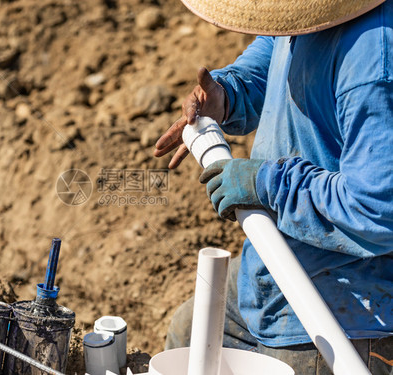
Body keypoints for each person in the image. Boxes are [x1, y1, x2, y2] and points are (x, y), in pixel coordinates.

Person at [153, 0, 393, 373]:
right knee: (190, 332)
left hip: (348, 303)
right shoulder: (313, 12)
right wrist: (228, 95)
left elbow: (379, 209)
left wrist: (266, 183)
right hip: (277, 258)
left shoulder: (374, 64)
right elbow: (274, 52)